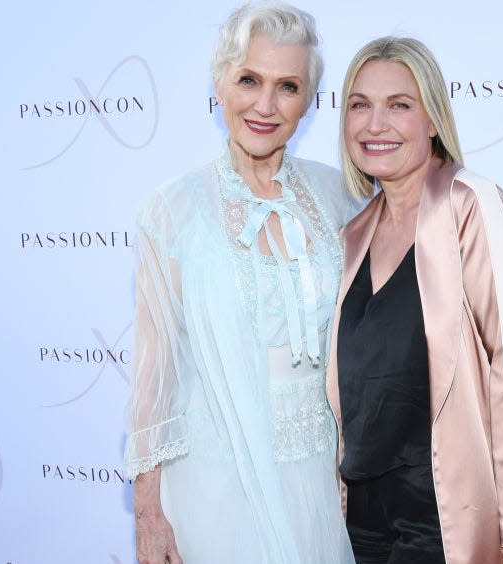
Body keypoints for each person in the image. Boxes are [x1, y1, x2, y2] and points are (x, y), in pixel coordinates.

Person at [124, 3, 357, 563]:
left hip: (320, 485)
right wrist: (150, 515)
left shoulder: (341, 199)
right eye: (249, 80)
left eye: (288, 86)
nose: (265, 105)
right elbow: (155, 375)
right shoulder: (173, 210)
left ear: (309, 100)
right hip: (214, 485)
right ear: (220, 83)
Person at [325, 36, 503, 564]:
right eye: (360, 105)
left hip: (443, 522)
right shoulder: (351, 236)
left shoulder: (471, 207)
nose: (375, 124)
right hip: (359, 525)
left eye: (399, 105)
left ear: (433, 119)